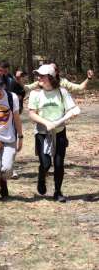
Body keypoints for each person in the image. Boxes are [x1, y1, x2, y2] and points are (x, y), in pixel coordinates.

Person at [28, 64, 79, 203]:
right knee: (45, 164)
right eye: (38, 75)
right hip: (42, 133)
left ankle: (58, 191)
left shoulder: (62, 92)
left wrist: (65, 118)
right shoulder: (35, 93)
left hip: (59, 132)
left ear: (51, 77)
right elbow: (32, 114)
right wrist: (46, 123)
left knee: (58, 163)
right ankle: (41, 178)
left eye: (42, 75)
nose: (39, 78)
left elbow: (73, 109)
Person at [16, 64, 94, 92]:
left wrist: (89, 78)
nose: (39, 78)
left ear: (56, 72)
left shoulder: (63, 83)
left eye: (54, 69)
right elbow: (26, 88)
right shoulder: (40, 82)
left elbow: (80, 87)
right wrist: (19, 79)